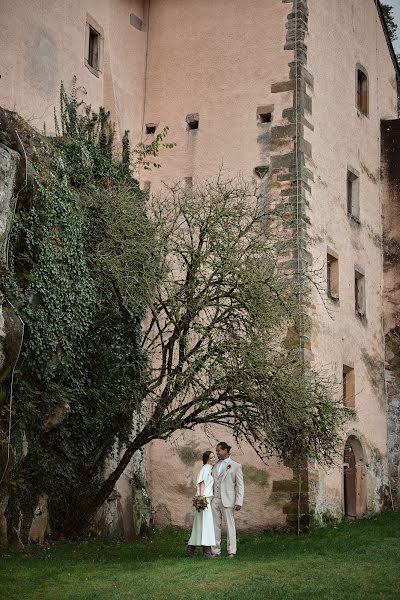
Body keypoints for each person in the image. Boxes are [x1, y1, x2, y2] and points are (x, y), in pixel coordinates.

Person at [211, 442, 244, 558]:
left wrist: (238, 502)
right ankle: (215, 551)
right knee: (215, 526)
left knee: (230, 525)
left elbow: (240, 485)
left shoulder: (235, 466)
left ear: (225, 450)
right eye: (216, 450)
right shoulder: (214, 465)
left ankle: (231, 551)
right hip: (215, 499)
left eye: (219, 450)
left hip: (228, 500)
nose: (217, 453)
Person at [186, 450, 216, 558]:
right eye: (211, 457)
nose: (214, 459)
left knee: (203, 525)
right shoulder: (205, 469)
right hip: (204, 500)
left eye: (214, 457)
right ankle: (206, 552)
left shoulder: (209, 469)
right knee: (205, 525)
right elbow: (202, 483)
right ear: (207, 459)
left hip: (206, 499)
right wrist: (202, 498)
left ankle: (193, 551)